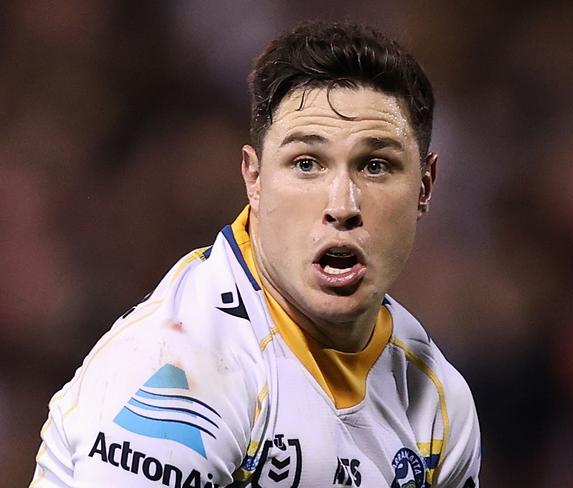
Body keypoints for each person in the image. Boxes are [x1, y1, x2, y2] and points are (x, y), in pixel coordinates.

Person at [31, 21, 480, 488]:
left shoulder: (438, 402)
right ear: (255, 179)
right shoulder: (178, 370)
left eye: (375, 165)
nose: (342, 206)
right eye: (306, 164)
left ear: (425, 187)